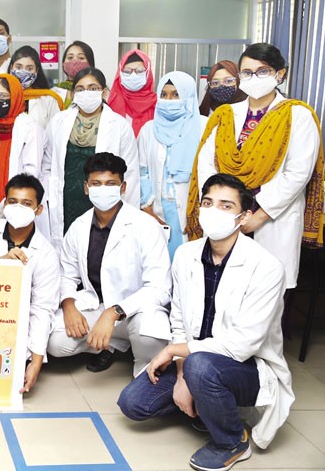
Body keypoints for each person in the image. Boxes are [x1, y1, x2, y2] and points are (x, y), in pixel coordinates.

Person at [118, 174, 293, 471]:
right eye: (208, 203)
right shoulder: (186, 255)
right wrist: (182, 375)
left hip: (245, 368)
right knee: (133, 404)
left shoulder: (267, 267)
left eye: (226, 206)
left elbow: (241, 345)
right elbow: (178, 320)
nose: (214, 211)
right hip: (195, 363)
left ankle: (232, 440)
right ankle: (205, 405)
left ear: (244, 216)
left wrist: (176, 352)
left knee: (201, 364)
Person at [189, 42, 324, 292]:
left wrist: (258, 216)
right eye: (247, 73)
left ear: (280, 74)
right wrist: (221, 206)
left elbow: (297, 174)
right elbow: (207, 162)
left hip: (271, 217)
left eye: (262, 71)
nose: (254, 78)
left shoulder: (298, 115)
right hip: (227, 215)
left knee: (265, 292)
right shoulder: (226, 114)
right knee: (220, 288)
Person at [46, 153, 171, 375]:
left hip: (134, 311)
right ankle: (108, 345)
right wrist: (68, 306)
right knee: (55, 342)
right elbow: (67, 275)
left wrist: (114, 312)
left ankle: (144, 368)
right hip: (96, 306)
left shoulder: (145, 226)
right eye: (96, 184)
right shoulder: (79, 226)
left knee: (150, 337)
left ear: (123, 187)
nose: (103, 189)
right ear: (86, 187)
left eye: (110, 184)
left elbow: (159, 288)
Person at [0, 174, 60, 393]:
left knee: (4, 375)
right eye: (12, 202)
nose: (18, 207)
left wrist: (36, 362)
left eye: (26, 204)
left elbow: (42, 308)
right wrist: (1, 265)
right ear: (4, 203)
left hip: (15, 321)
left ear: (39, 210)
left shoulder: (45, 253)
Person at [42, 67, 139, 248]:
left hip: (103, 199)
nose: (86, 93)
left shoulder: (119, 125)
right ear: (73, 93)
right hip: (64, 201)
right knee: (67, 253)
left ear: (104, 92)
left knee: (99, 249)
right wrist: (48, 199)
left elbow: (131, 174)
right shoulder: (59, 121)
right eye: (80, 89)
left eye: (93, 88)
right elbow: (47, 165)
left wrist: (129, 217)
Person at [138, 71, 206, 259]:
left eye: (176, 94)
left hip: (193, 207)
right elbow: (142, 170)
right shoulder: (148, 129)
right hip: (158, 209)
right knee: (159, 263)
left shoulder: (204, 127)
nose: (169, 100)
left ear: (189, 95)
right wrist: (147, 206)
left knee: (190, 265)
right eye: (164, 94)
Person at [0, 74, 44, 219]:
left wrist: (10, 203)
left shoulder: (30, 127)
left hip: (22, 204)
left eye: (3, 96)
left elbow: (31, 172)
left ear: (14, 97)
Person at [7, 45, 64, 129]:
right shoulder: (3, 96)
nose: (23, 72)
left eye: (29, 69)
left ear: (36, 71)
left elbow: (55, 133)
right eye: (18, 67)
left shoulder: (49, 99)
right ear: (11, 67)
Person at [107, 49, 157, 138]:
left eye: (140, 71)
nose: (133, 75)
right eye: (127, 71)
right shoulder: (113, 105)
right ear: (120, 73)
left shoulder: (158, 105)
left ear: (148, 73)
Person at [53, 41, 95, 105]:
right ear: (63, 64)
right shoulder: (54, 92)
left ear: (90, 64)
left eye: (81, 58)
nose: (74, 61)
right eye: (70, 57)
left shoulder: (98, 90)